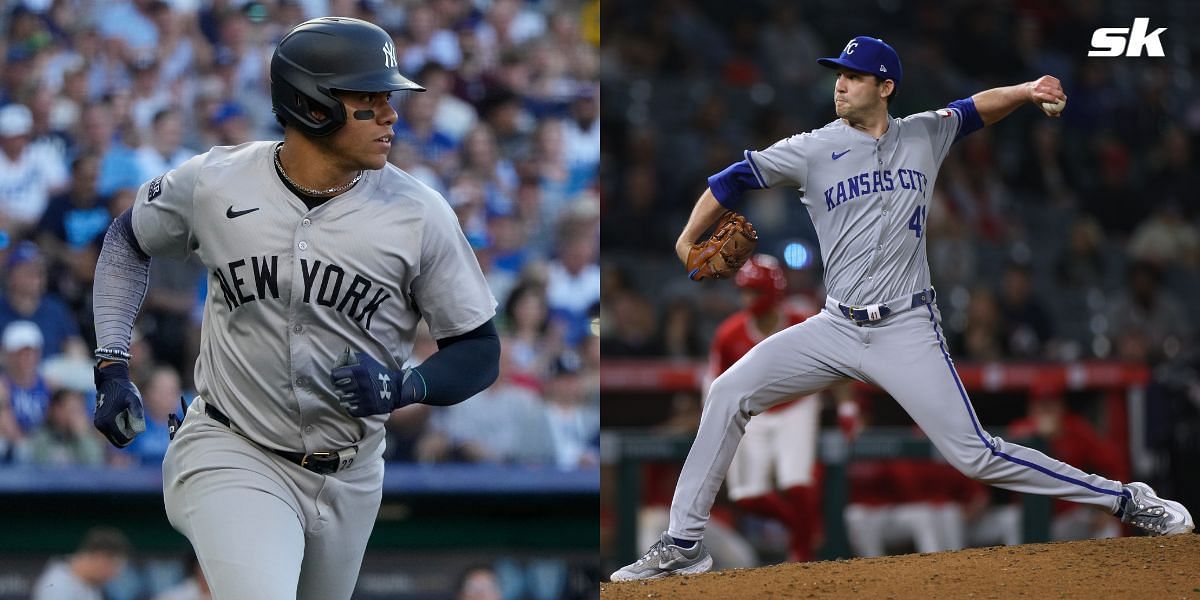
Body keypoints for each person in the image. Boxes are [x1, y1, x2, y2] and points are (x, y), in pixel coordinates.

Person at [611, 36, 1193, 582]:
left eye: (854, 76)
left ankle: (1125, 499)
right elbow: (732, 178)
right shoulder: (812, 148)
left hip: (906, 327)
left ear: (885, 86)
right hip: (835, 325)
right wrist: (689, 237)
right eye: (838, 76)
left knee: (975, 456)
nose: (839, 85)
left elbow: (974, 109)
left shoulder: (923, 134)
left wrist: (1023, 91)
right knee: (728, 392)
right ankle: (683, 544)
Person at [90, 17, 499, 600]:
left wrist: (404, 387)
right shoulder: (216, 181)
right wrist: (111, 362)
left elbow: (480, 348)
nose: (390, 113)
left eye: (389, 98)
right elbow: (127, 241)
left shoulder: (420, 213)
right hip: (233, 447)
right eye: (369, 99)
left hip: (351, 474)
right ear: (313, 106)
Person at [705, 254, 855, 562]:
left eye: (755, 292)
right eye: (744, 292)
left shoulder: (802, 323)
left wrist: (847, 408)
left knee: (796, 483)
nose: (748, 299)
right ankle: (804, 528)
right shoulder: (729, 335)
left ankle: (801, 552)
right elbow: (715, 387)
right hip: (754, 414)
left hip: (796, 405)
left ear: (773, 293)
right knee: (746, 496)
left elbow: (840, 364)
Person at [32, 526, 131, 600]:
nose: (114, 575)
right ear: (100, 557)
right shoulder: (57, 586)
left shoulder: (88, 584)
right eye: (115, 566)